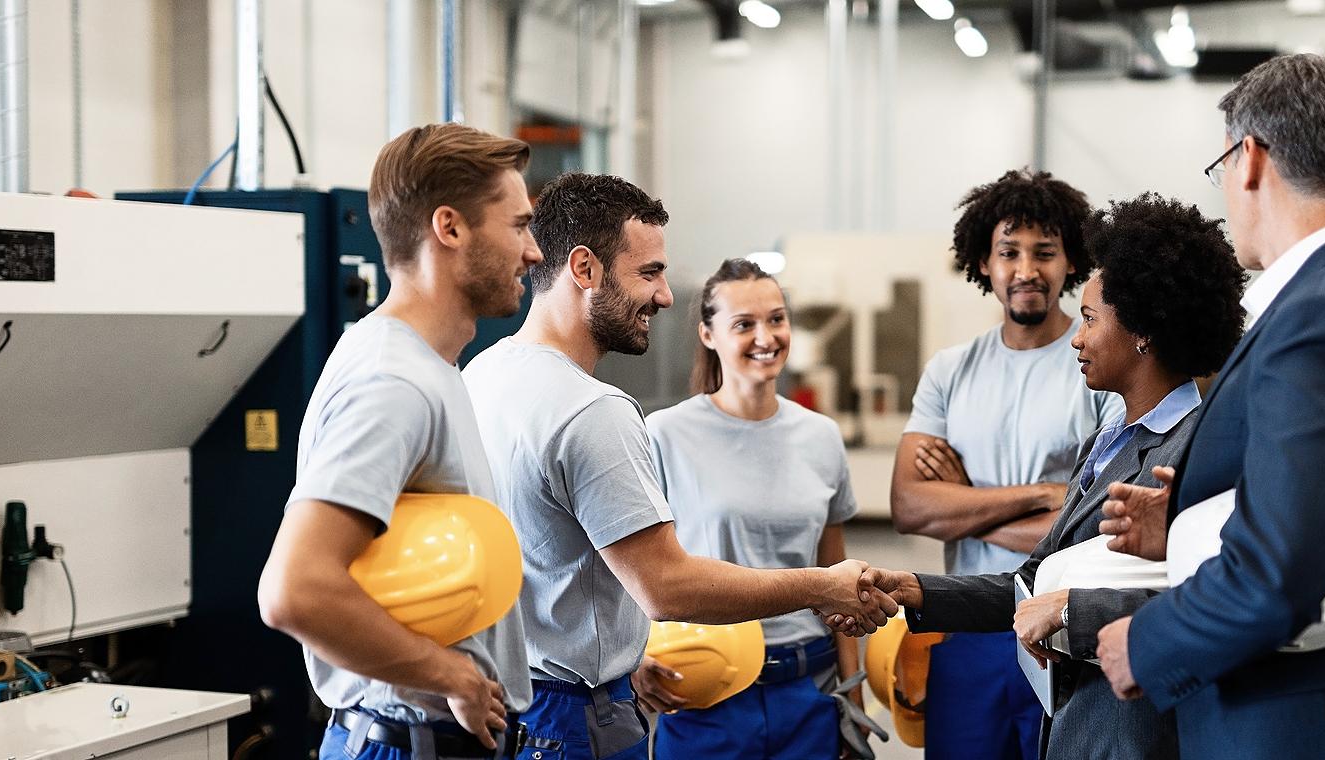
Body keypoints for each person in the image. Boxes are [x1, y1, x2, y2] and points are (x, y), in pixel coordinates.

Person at [1094, 54, 1325, 760]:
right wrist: (1187, 520)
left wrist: (1144, 646)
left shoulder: (1317, 320)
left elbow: (1278, 576)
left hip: (1310, 728)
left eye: (1221, 167)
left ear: (1249, 159)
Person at [462, 174, 895, 760]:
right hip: (575, 715)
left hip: (516, 698)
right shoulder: (594, 410)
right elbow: (666, 587)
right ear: (585, 269)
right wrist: (823, 586)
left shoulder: (483, 374)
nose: (665, 296)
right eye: (649, 273)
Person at [849, 193, 1245, 759]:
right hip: (1077, 721)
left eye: (1090, 319)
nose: (1077, 338)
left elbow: (1216, 599)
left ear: (1143, 330)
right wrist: (914, 588)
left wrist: (1066, 611)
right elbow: (1034, 580)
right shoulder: (1110, 441)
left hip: (1134, 731)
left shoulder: (1197, 451)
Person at [256, 123, 540, 759]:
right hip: (407, 743)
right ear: (450, 228)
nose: (533, 252)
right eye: (519, 226)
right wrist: (451, 675)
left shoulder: (425, 364)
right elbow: (294, 589)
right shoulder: (394, 382)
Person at [888, 169, 1122, 759]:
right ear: (983, 263)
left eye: (1045, 252)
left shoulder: (1100, 365)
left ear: (1071, 261)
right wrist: (1045, 494)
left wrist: (964, 505)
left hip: (1064, 631)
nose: (1026, 270)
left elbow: (1100, 527)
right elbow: (911, 506)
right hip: (968, 628)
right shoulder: (950, 370)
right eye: (1009, 252)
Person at [636, 258, 867, 759]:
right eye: (744, 324)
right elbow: (630, 570)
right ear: (708, 335)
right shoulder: (663, 434)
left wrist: (853, 691)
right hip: (704, 694)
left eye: (776, 319)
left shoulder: (821, 436)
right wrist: (631, 659)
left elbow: (836, 574)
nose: (766, 337)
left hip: (810, 692)